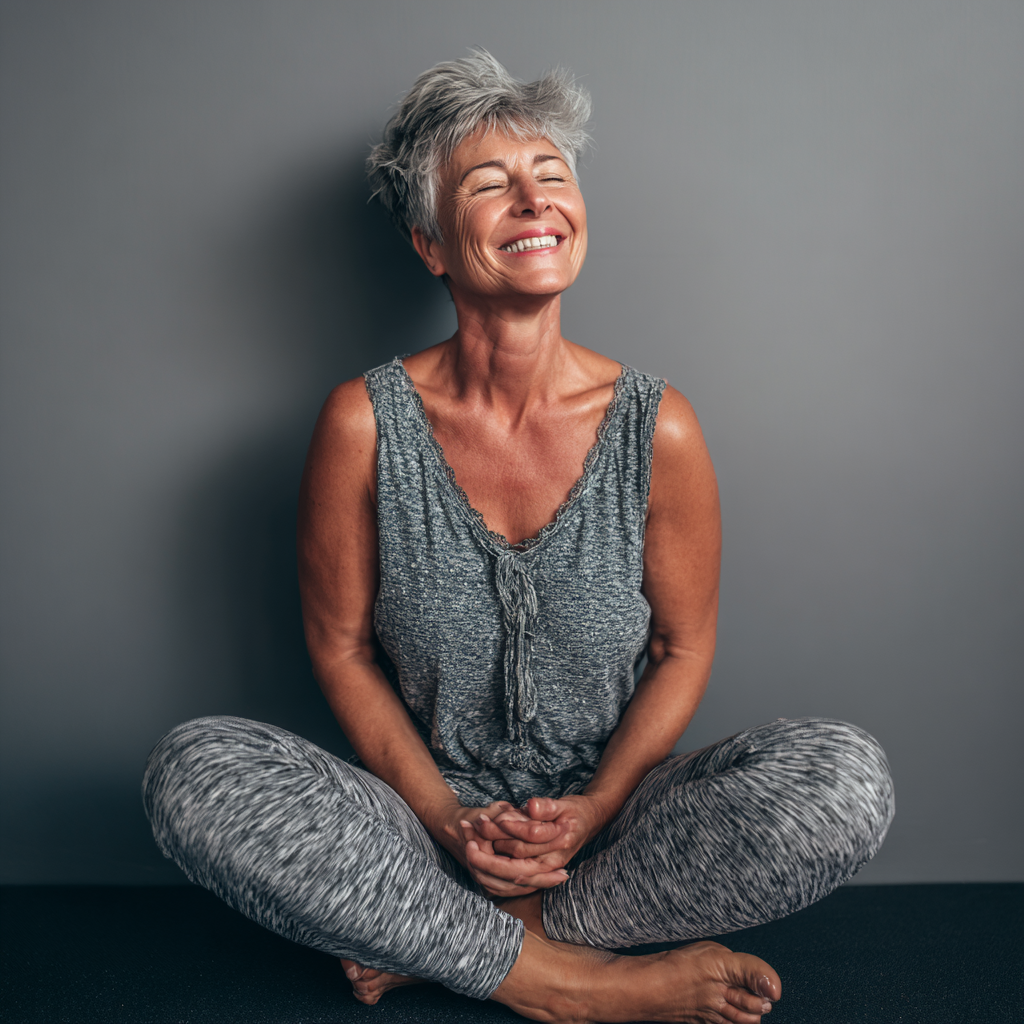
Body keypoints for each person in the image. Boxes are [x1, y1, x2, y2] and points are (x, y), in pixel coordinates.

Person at [143, 51, 894, 1023]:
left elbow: (683, 648)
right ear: (430, 244)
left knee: (844, 781)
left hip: (618, 834)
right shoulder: (361, 426)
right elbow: (339, 649)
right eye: (491, 185)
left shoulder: (657, 427)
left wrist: (587, 812)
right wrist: (450, 821)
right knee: (191, 773)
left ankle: (457, 942)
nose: (534, 199)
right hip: (419, 831)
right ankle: (565, 981)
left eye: (552, 176)